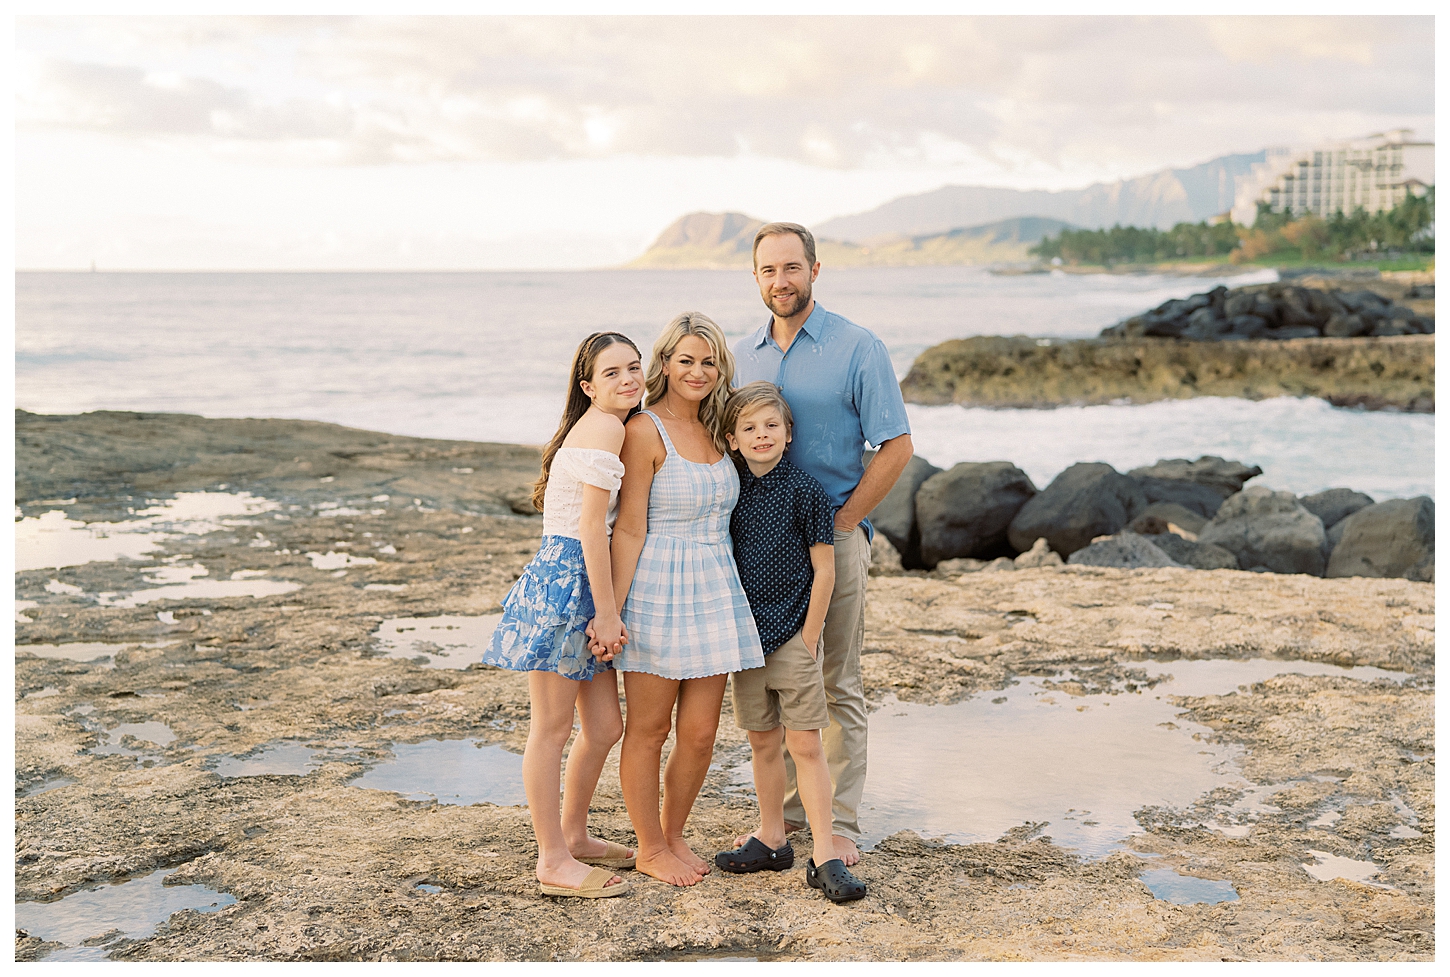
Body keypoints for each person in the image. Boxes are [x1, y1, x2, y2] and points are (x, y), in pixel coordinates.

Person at [732, 222, 913, 867]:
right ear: (756, 278)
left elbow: (897, 448)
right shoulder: (738, 355)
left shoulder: (859, 348)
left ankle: (837, 825)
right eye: (766, 271)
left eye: (790, 267)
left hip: (830, 545)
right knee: (772, 681)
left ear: (814, 268)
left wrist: (844, 523)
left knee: (834, 682)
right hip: (755, 553)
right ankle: (777, 826)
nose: (779, 281)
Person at [481, 331, 642, 899]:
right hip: (567, 585)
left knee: (604, 727)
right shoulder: (604, 428)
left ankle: (574, 833)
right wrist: (607, 612)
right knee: (550, 729)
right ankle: (551, 859)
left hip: (580, 582)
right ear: (588, 387)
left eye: (634, 367)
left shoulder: (610, 426)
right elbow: (590, 536)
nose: (628, 379)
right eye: (613, 373)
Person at [607, 312, 766, 887]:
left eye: (708, 361)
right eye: (685, 360)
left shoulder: (721, 428)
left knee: (700, 733)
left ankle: (673, 833)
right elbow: (627, 528)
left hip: (716, 587)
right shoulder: (644, 430)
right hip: (656, 588)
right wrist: (611, 611)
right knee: (647, 730)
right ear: (665, 364)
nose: (698, 371)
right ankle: (648, 845)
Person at [712, 382, 867, 903]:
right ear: (732, 438)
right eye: (750, 428)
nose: (762, 436)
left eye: (771, 426)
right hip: (746, 642)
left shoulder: (805, 490)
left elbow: (826, 570)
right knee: (761, 741)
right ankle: (772, 836)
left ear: (788, 433)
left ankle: (823, 854)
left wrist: (810, 635)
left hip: (793, 639)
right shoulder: (728, 489)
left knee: (804, 744)